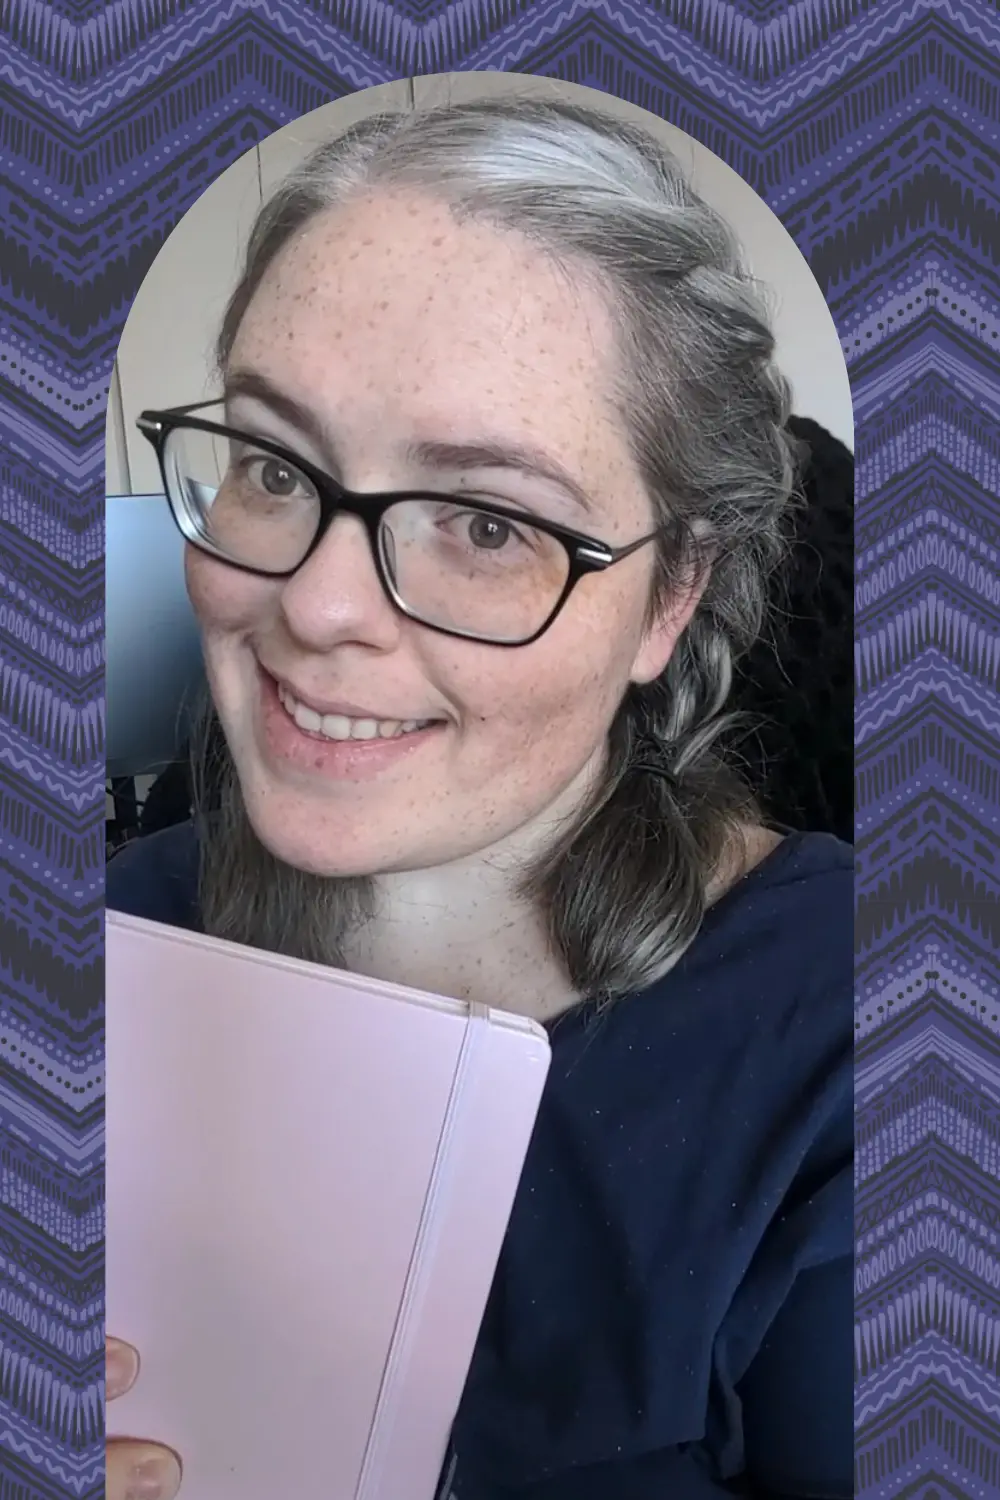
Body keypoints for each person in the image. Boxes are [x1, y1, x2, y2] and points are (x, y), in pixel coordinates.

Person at [105, 94, 853, 1500]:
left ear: (670, 599)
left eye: (489, 523)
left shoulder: (859, 1051)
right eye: (271, 465)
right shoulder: (106, 938)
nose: (315, 606)